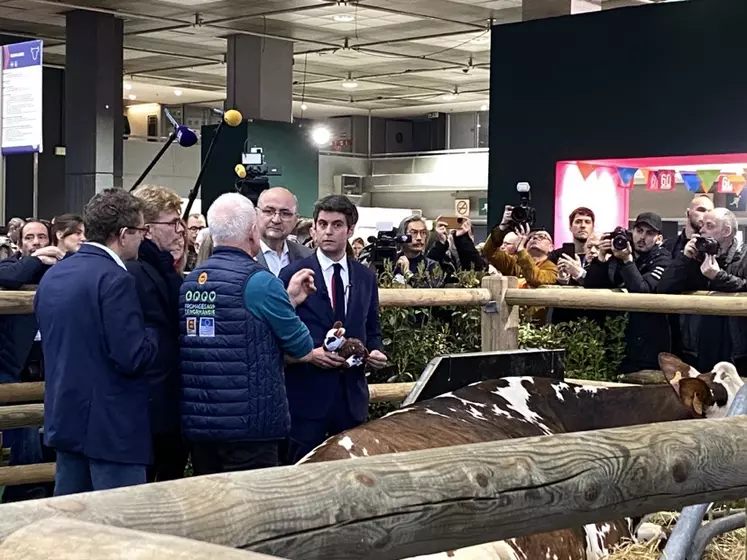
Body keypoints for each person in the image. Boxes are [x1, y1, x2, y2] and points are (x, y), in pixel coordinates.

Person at [180, 193, 316, 475]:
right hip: (251, 427)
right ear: (252, 231)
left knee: (210, 508)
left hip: (202, 423)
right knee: (254, 512)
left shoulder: (191, 281)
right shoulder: (260, 282)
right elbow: (301, 346)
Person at [35, 188, 158, 495]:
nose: (144, 238)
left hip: (64, 418)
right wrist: (154, 332)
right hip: (112, 429)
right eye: (142, 231)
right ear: (124, 233)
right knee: (121, 530)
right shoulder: (116, 279)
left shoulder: (55, 275)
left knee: (71, 527)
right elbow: (132, 356)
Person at [280, 195, 387, 465]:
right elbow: (280, 331)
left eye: (337, 225)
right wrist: (309, 353)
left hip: (351, 399)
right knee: (301, 474)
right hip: (306, 396)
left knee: (355, 475)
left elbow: (372, 328)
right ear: (313, 228)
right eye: (323, 224)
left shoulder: (365, 277)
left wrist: (376, 351)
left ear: (350, 231)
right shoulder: (292, 274)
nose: (328, 231)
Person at [128, 185, 188, 482]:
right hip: (153, 398)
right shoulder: (136, 271)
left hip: (163, 396)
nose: (180, 230)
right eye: (172, 223)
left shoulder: (161, 266)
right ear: (147, 229)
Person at [658, 207, 747, 375]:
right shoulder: (695, 258)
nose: (702, 230)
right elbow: (664, 288)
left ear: (726, 231)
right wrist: (684, 258)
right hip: (696, 350)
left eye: (709, 226)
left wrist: (718, 276)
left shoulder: (744, 256)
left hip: (737, 352)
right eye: (702, 226)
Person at [585, 212, 671, 372]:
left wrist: (627, 261)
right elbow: (591, 286)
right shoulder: (619, 250)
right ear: (632, 231)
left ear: (658, 238)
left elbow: (642, 290)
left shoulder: (663, 259)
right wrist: (601, 258)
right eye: (639, 231)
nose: (642, 237)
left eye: (649, 233)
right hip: (615, 338)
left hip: (647, 341)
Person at [254, 187, 312, 276]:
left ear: (296, 220)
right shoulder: (241, 254)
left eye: (285, 213)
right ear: (256, 214)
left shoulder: (308, 256)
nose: (276, 220)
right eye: (269, 211)